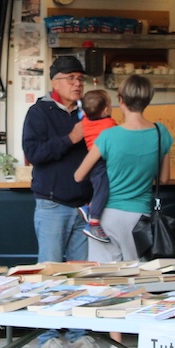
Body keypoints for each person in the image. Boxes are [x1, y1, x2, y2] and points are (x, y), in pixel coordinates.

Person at [74, 74, 173, 348]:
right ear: (148, 100)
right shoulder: (160, 133)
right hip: (140, 216)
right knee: (140, 279)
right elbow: (165, 178)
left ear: (120, 100)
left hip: (106, 217)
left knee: (111, 280)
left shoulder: (109, 136)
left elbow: (80, 174)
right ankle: (149, 340)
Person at [22, 54, 103, 348]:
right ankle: (48, 337)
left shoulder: (89, 113)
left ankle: (80, 335)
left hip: (84, 205)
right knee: (50, 273)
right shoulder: (39, 112)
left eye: (80, 78)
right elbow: (33, 153)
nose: (77, 83)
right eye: (71, 78)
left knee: (81, 275)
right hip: (52, 205)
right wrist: (71, 137)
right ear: (55, 83)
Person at [76, 89, 117, 244]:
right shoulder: (109, 125)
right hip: (100, 161)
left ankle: (89, 207)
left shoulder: (85, 121)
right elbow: (119, 136)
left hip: (92, 161)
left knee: (99, 189)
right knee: (103, 188)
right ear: (106, 109)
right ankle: (93, 223)